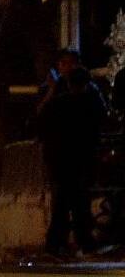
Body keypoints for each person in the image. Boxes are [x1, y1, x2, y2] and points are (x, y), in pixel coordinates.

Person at [39, 66, 105, 256]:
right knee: (80, 203)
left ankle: (55, 243)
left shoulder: (58, 103)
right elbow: (104, 117)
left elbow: (41, 121)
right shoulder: (91, 102)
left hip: (59, 159)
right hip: (82, 159)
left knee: (61, 203)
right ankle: (85, 242)